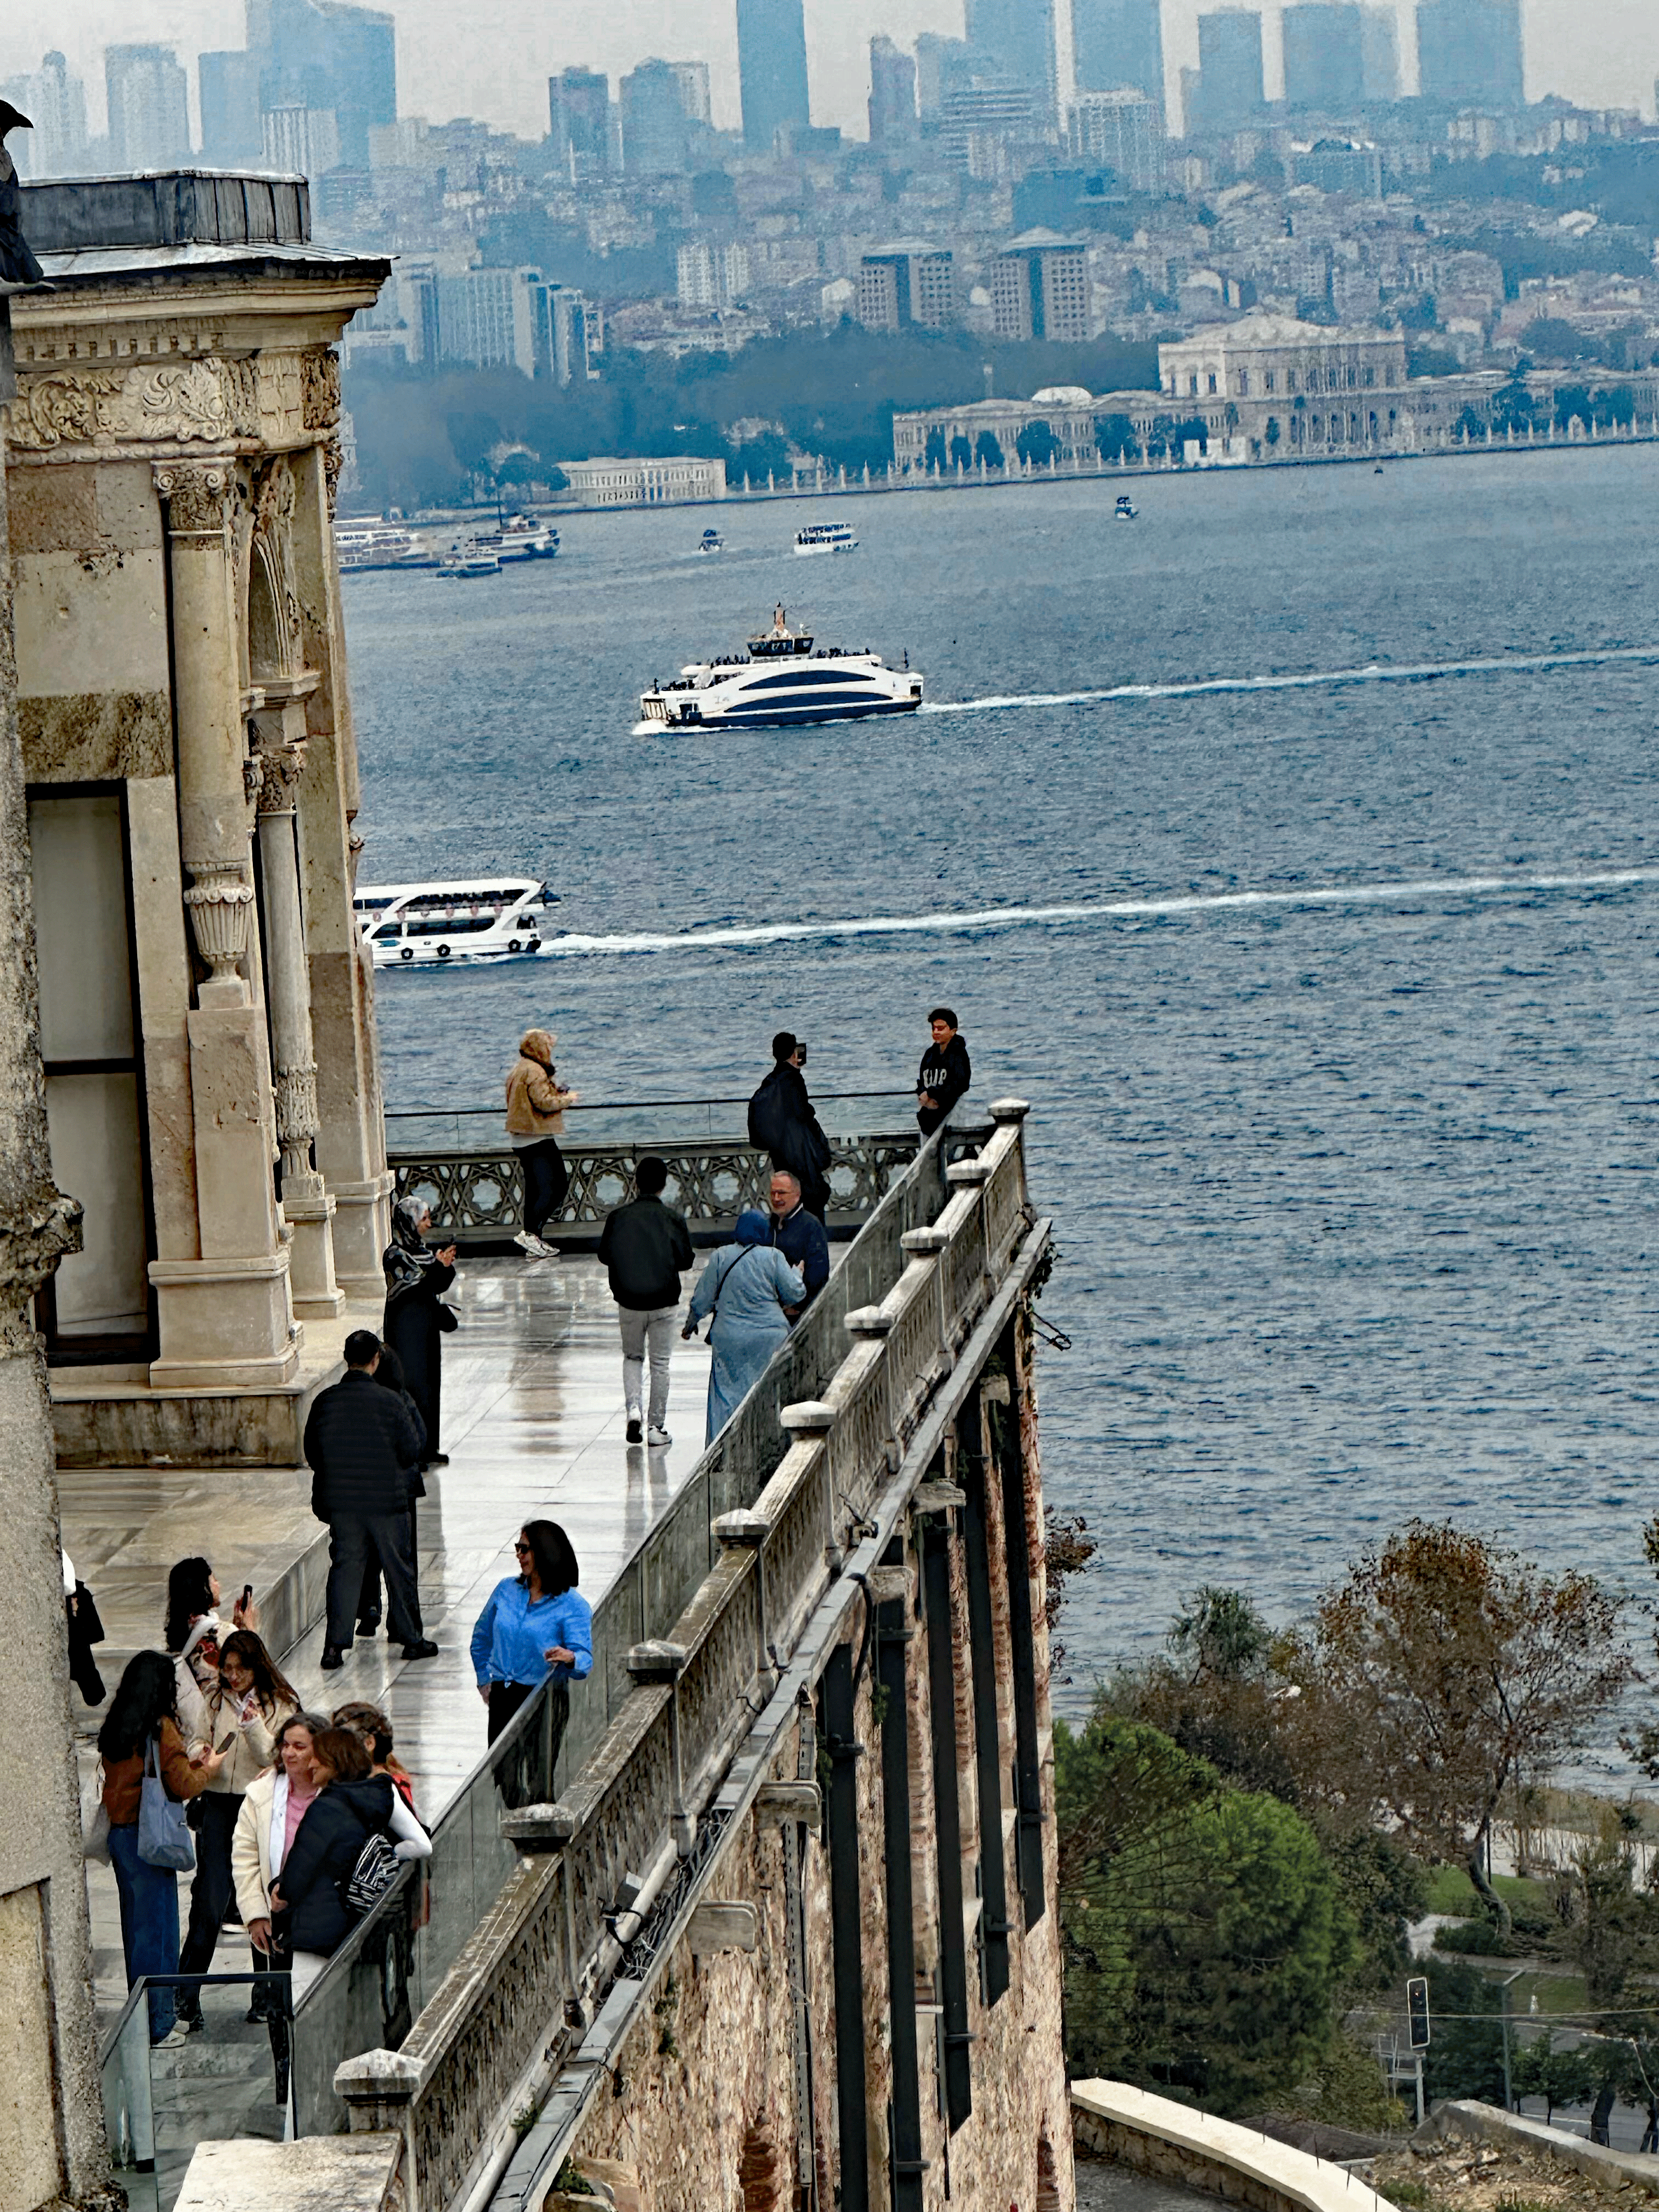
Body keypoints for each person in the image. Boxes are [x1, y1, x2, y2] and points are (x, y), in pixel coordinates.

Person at [99, 1651, 225, 2046]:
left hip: (121, 1837)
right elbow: (182, 1785)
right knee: (160, 1932)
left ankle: (145, 2019)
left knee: (137, 1932)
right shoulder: (160, 1727)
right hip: (150, 1835)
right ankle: (159, 2024)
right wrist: (209, 1768)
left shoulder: (118, 1726)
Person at [176, 1630, 298, 2032]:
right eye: (226, 1669)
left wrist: (254, 1727)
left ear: (254, 1666)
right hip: (216, 1805)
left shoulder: (279, 1703)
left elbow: (275, 1756)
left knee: (260, 1897)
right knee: (209, 1902)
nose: (232, 1677)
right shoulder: (213, 1700)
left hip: (257, 1805)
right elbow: (194, 1739)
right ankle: (186, 1996)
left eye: (238, 1670)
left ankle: (265, 1995)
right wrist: (200, 1754)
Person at [303, 1328, 437, 1669]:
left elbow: (313, 1454)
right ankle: (411, 1639)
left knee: (345, 1570)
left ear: (347, 1359)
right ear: (376, 1360)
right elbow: (411, 1449)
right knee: (398, 1568)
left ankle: (334, 1647)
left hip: (344, 1505)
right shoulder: (391, 1403)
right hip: (387, 1503)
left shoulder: (325, 1402)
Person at [268, 1725, 431, 2000]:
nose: (311, 1763)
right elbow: (422, 1845)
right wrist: (386, 1855)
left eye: (318, 1756)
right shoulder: (384, 1791)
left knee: (310, 2009)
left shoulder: (326, 1807)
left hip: (321, 1929)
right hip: (373, 1920)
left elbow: (299, 1870)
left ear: (337, 1759)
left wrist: (280, 1893)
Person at [232, 1711, 326, 2103]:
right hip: (277, 1921)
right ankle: (285, 2089)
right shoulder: (262, 1794)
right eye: (285, 1745)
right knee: (278, 2004)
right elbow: (246, 1857)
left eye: (299, 1746)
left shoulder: (336, 1792)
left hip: (322, 1918)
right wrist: (255, 1913)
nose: (289, 1753)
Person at [683, 1210, 805, 1445]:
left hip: (730, 1337)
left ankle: (722, 1447)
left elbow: (702, 1298)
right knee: (769, 1391)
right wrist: (796, 1274)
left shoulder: (721, 1256)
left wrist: (691, 1324)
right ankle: (769, 1443)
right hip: (769, 1337)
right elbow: (793, 1293)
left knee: (725, 1395)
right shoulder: (773, 1257)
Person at [597, 1154, 695, 1447]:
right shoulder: (674, 1219)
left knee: (632, 1357)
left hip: (629, 1301)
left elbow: (604, 1255)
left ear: (636, 1183)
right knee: (661, 1364)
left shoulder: (618, 1218)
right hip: (664, 1302)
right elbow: (686, 1260)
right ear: (665, 1185)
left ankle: (633, 1410)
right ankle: (656, 1428)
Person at [470, 1521, 592, 1753]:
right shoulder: (506, 1589)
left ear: (544, 1552)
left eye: (524, 1549)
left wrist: (570, 1657)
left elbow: (585, 1660)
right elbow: (481, 1638)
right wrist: (484, 1679)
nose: (518, 1555)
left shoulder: (572, 1605)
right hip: (503, 1698)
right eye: (517, 1548)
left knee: (538, 1780)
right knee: (502, 1779)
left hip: (544, 1701)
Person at [354, 1343, 427, 1641]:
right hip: (399, 1491)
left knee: (368, 1552)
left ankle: (370, 1607)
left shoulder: (357, 1402)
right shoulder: (401, 1400)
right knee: (402, 1561)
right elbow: (418, 1441)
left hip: (364, 1490)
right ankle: (401, 1624)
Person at [382, 1195, 457, 1468]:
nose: (428, 1224)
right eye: (423, 1219)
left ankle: (429, 1447)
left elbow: (434, 1285)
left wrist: (443, 1266)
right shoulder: (394, 1254)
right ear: (409, 1222)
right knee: (411, 1386)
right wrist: (438, 1267)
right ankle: (412, 1450)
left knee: (429, 1386)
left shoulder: (423, 1251)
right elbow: (414, 1285)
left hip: (426, 1329)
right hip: (406, 1330)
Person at [164, 1557, 256, 1747]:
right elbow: (255, 1669)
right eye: (213, 1580)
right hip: (220, 1722)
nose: (218, 1585)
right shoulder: (221, 1632)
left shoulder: (181, 1630)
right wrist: (249, 1631)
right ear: (203, 1587)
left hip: (192, 1724)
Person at [506, 1027, 578, 1259]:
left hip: (522, 1137)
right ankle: (530, 1234)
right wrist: (567, 1099)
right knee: (555, 1187)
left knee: (536, 1191)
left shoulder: (520, 1068)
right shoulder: (535, 1070)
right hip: (536, 1137)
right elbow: (543, 1103)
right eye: (548, 1047)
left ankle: (533, 1240)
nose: (550, 1051)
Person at [747, 1031, 832, 1222]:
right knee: (809, 1211)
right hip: (800, 1157)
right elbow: (803, 1115)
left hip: (781, 1157)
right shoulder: (793, 1079)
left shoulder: (770, 1081)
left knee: (786, 1208)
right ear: (794, 1053)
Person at [767, 1169, 830, 1317]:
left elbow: (818, 1275)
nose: (776, 1198)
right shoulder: (767, 1224)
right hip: (770, 1310)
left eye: (781, 1193)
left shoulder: (811, 1226)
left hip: (797, 1312)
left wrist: (800, 1306)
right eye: (773, 1193)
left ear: (797, 1195)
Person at [916, 1006, 972, 1136]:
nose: (936, 1032)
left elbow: (961, 1084)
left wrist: (933, 1093)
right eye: (934, 1028)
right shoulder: (929, 1054)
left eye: (941, 1028)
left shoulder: (959, 1054)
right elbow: (921, 1081)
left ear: (953, 1031)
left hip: (951, 1117)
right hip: (928, 1116)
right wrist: (923, 1093)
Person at [63, 1547, 106, 1705]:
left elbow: (94, 1633)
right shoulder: (80, 1594)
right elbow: (95, 1634)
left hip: (78, 1647)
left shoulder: (80, 1594)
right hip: (78, 1647)